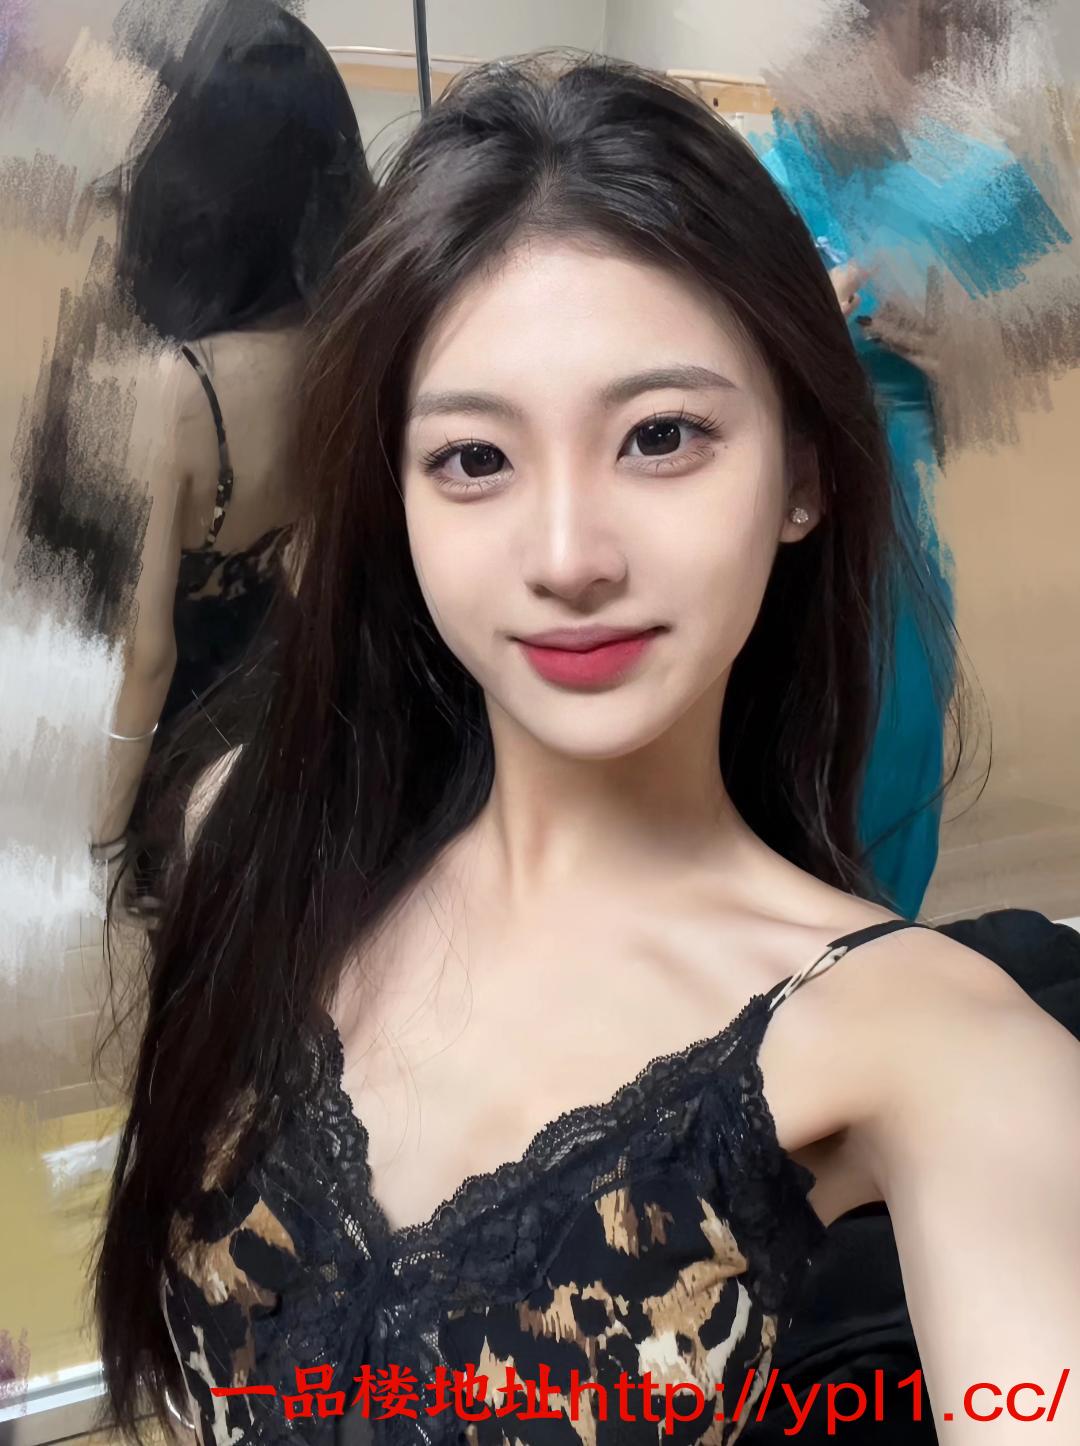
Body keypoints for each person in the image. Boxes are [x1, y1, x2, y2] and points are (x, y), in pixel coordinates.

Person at [92, 52, 1080, 1446]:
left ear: (803, 473)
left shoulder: (933, 1050)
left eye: (661, 436)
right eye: (474, 459)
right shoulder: (245, 837)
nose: (568, 557)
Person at [749, 0, 1072, 920]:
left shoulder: (971, 178)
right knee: (778, 737)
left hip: (896, 524)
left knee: (889, 749)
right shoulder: (766, 170)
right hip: (772, 506)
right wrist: (792, 321)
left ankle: (875, 943)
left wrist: (974, 332)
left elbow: (1064, 303)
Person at [89, 0, 373, 897]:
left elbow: (147, 656)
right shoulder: (349, 340)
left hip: (174, 747)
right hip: (276, 715)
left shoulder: (176, 389)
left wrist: (102, 842)